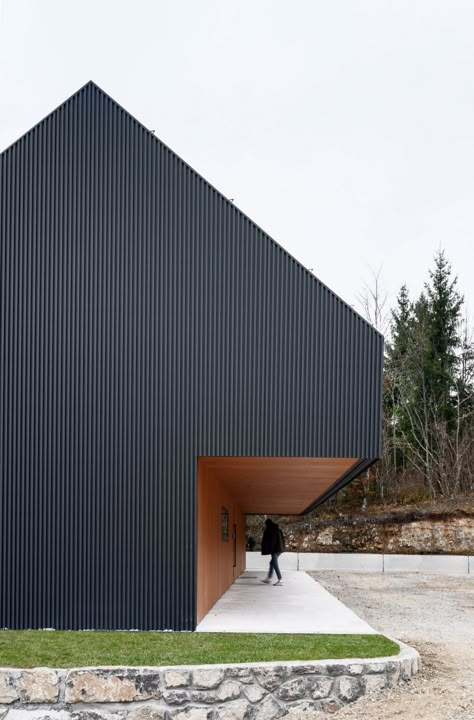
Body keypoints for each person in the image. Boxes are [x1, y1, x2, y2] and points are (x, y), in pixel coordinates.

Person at [260, 518, 285, 586]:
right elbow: (282, 539)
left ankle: (280, 579)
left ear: (267, 524)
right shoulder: (277, 529)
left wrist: (269, 549)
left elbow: (271, 542)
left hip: (275, 550)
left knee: (274, 563)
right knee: (271, 563)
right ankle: (269, 578)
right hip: (279, 549)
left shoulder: (271, 530)